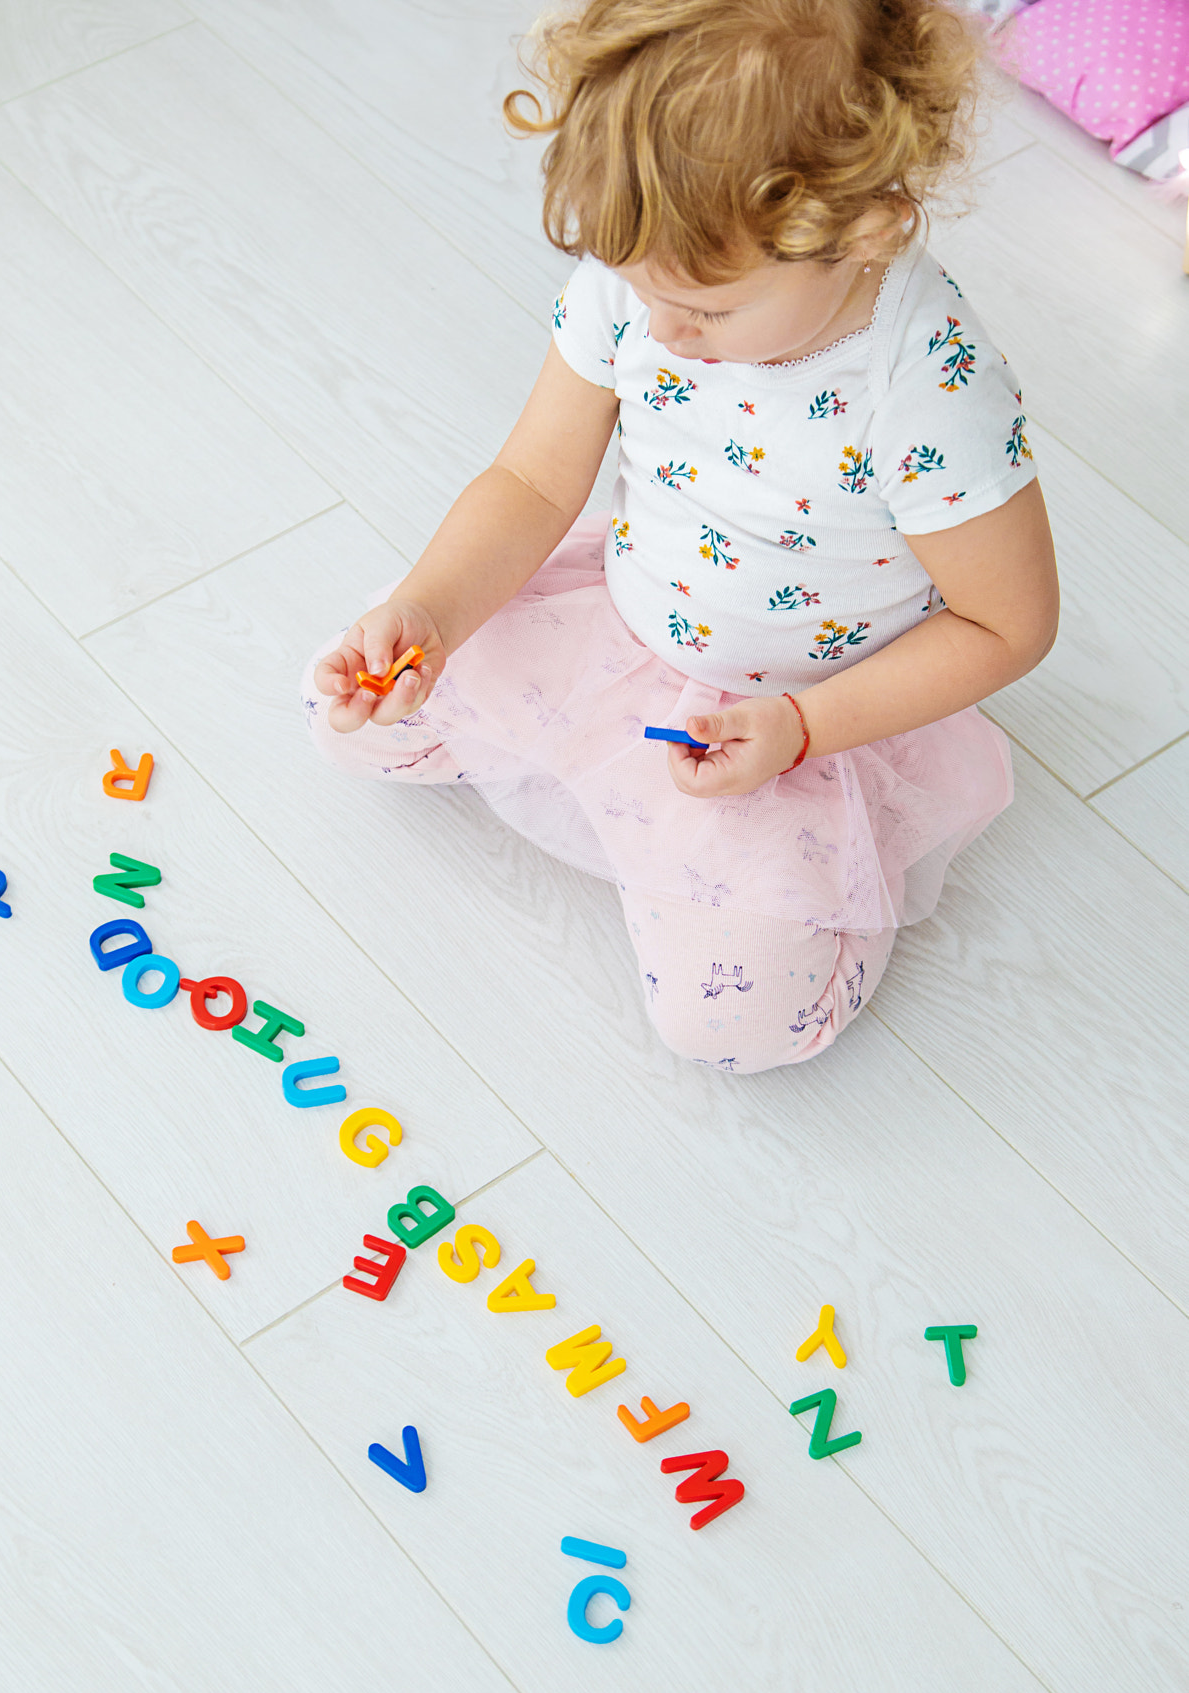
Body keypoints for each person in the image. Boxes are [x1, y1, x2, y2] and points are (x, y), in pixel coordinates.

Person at [300, 0, 1059, 1073]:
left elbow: (1006, 625)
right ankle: (622, 795)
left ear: (864, 228)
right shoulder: (648, 274)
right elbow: (530, 476)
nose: (661, 332)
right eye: (640, 289)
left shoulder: (929, 388)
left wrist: (798, 729)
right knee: (352, 712)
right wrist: (427, 609)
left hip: (804, 716)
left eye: (702, 313)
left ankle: (809, 882)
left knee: (731, 1028)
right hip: (626, 620)